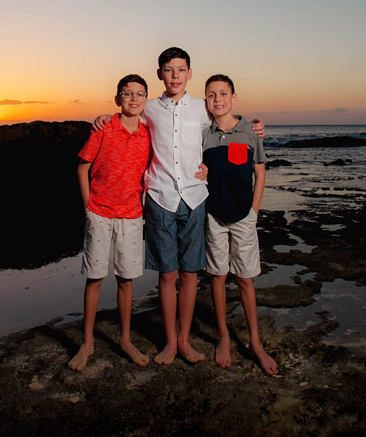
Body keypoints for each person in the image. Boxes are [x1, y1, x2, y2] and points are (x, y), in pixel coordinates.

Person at [94, 47, 264, 366]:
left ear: (189, 74)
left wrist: (256, 128)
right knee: (167, 274)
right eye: (169, 70)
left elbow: (231, 126)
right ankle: (170, 343)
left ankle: (185, 340)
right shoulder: (150, 109)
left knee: (190, 273)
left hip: (196, 197)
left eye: (181, 69)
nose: (175, 75)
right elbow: (125, 117)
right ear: (160, 74)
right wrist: (107, 117)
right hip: (159, 197)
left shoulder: (203, 108)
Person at [69, 74, 152, 371]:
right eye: (127, 94)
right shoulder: (104, 128)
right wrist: (88, 206)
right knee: (94, 277)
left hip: (131, 215)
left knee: (126, 279)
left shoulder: (148, 133)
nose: (133, 99)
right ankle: (87, 342)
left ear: (146, 99)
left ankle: (126, 340)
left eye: (139, 94)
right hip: (100, 213)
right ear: (118, 99)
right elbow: (83, 168)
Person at [202, 74, 278, 375]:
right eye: (211, 95)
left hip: (243, 216)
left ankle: (255, 342)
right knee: (217, 276)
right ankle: (223, 337)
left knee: (245, 278)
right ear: (206, 100)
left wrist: (254, 211)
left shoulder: (250, 131)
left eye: (223, 94)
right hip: (213, 217)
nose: (217, 99)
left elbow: (260, 172)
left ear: (233, 98)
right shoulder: (203, 135)